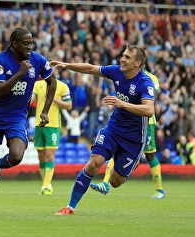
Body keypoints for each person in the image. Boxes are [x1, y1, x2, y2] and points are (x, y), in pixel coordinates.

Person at [50, 43, 155, 215]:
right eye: (123, 55)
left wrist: (122, 103)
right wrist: (66, 65)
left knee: (115, 181)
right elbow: (91, 68)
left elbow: (149, 110)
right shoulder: (116, 71)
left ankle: (126, 163)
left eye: (127, 57)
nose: (122, 59)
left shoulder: (145, 82)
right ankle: (70, 207)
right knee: (93, 163)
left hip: (134, 138)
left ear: (138, 63)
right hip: (113, 129)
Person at [0, 27, 57, 216]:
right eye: (26, 43)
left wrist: (44, 111)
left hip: (17, 115)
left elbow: (53, 82)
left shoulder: (38, 60)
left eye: (31, 43)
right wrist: (19, 73)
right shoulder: (1, 59)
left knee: (17, 155)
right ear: (14, 43)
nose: (29, 46)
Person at [90, 69, 165, 199]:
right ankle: (105, 183)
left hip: (147, 123)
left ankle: (159, 190)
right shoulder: (124, 75)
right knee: (117, 149)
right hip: (128, 121)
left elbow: (151, 101)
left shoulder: (150, 78)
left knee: (150, 155)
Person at [32, 68, 72, 196]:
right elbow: (31, 100)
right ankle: (46, 184)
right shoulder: (37, 84)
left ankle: (46, 185)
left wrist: (54, 99)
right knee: (41, 156)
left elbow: (69, 105)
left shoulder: (62, 86)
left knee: (50, 155)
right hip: (39, 124)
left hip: (53, 125)